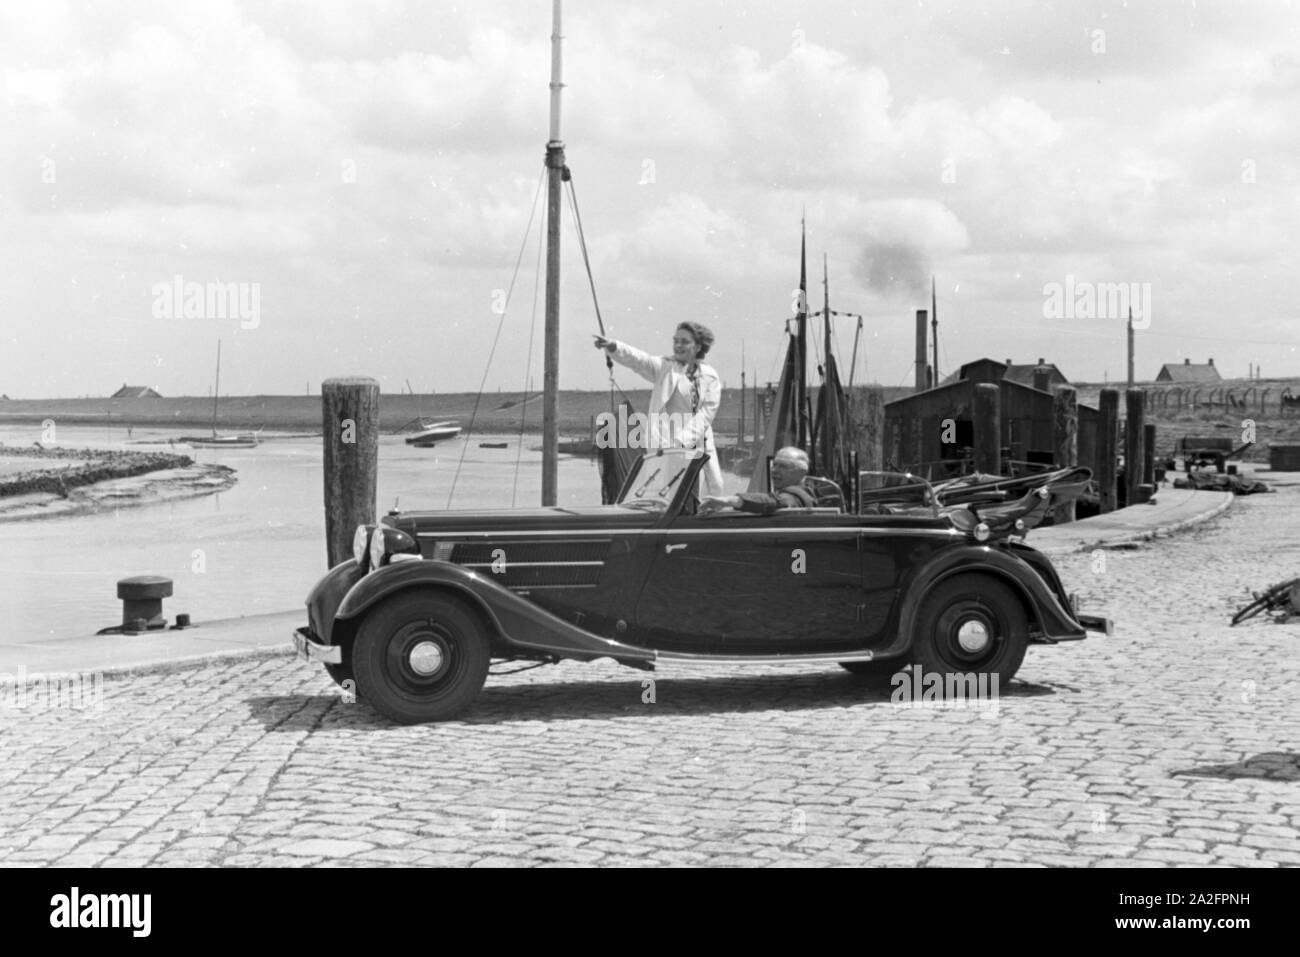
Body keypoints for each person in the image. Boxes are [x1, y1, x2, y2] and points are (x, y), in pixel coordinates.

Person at [593, 322, 725, 498]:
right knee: (674, 492)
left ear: (698, 347)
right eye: (675, 341)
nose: (678, 346)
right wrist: (614, 347)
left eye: (684, 342)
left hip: (701, 442)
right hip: (670, 445)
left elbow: (707, 412)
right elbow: (639, 360)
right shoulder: (665, 368)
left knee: (714, 486)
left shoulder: (710, 376)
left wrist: (685, 439)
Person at [700, 446, 816, 514]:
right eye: (774, 465)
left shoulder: (796, 495)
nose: (774, 470)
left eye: (783, 466)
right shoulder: (802, 492)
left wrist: (730, 500)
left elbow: (777, 502)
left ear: (800, 473)